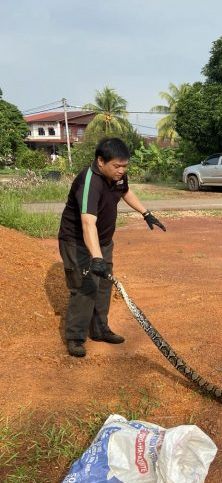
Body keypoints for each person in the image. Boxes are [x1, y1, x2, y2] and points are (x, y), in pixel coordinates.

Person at [58, 137, 166, 358]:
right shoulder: (89, 182)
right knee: (85, 286)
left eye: (125, 166)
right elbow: (88, 223)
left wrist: (146, 213)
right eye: (117, 166)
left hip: (104, 241)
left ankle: (100, 329)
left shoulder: (117, 176)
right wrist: (96, 258)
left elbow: (126, 191)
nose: (121, 171)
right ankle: (76, 337)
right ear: (100, 162)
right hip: (77, 243)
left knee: (104, 285)